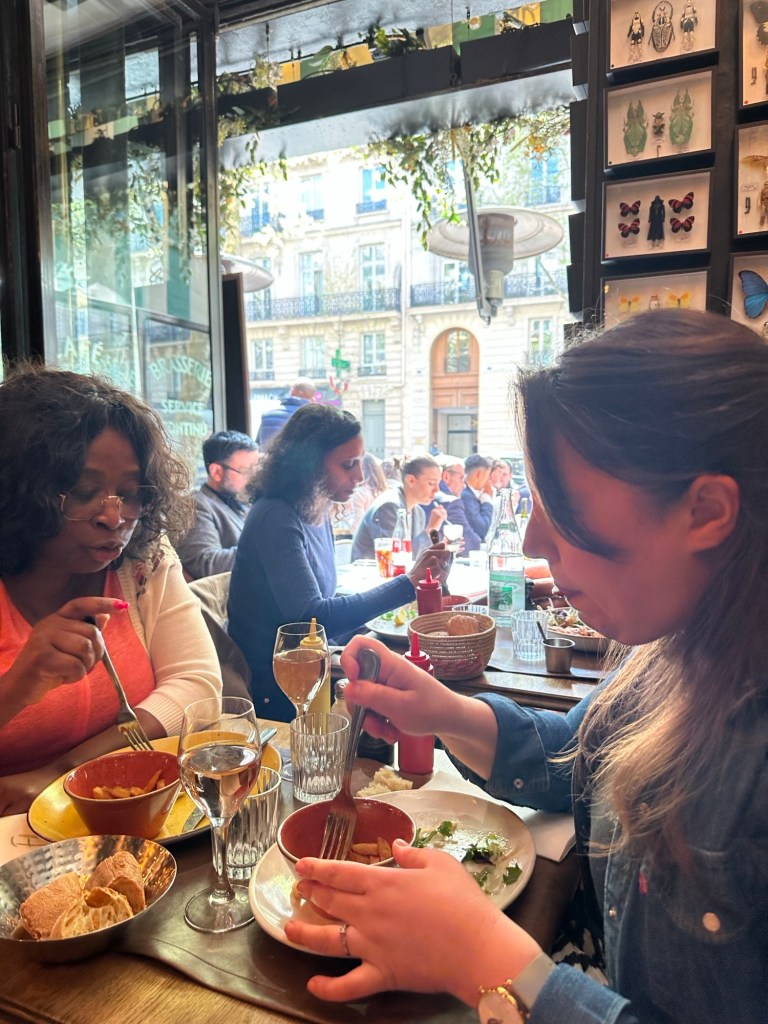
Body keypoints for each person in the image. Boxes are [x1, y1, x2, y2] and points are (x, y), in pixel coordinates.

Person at [283, 310, 767, 1023]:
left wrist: (488, 962)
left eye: (561, 505)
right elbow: (577, 759)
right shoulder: (672, 646)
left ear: (707, 511)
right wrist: (442, 711)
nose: (535, 539)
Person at [0, 365, 222, 816]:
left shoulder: (143, 560)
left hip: (129, 812)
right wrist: (19, 686)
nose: (115, 517)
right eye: (83, 491)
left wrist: (63, 772)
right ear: (18, 492)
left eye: (132, 493)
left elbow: (198, 688)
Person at [229, 405, 450, 720]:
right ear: (307, 465)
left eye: (359, 462)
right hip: (280, 689)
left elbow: (324, 605)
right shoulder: (275, 516)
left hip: (314, 667)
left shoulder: (314, 507)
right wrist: (407, 584)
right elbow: (313, 618)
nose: (359, 476)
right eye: (348, 465)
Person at [175, 430, 260, 580]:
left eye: (257, 469)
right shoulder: (196, 505)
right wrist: (265, 548)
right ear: (216, 472)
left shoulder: (242, 501)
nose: (254, 478)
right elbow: (207, 563)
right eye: (247, 471)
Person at [350, 454, 447, 562]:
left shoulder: (419, 512)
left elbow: (421, 556)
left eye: (438, 483)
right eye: (431, 483)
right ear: (411, 480)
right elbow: (396, 558)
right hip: (370, 571)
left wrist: (443, 545)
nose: (437, 489)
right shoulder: (388, 506)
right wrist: (431, 529)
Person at [256, 377, 315, 447]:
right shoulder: (312, 418)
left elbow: (258, 445)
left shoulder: (267, 416)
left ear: (292, 391)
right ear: (312, 397)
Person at [338, 452, 387, 534]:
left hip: (365, 538)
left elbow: (357, 526)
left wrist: (347, 521)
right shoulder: (384, 491)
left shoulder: (360, 494)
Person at [460, 453, 495, 542]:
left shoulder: (468, 493)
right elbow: (482, 529)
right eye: (487, 476)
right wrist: (487, 500)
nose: (488, 480)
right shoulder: (466, 496)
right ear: (479, 474)